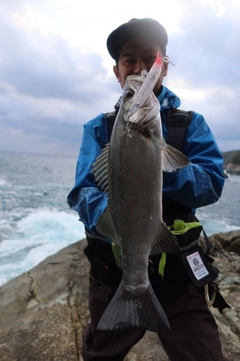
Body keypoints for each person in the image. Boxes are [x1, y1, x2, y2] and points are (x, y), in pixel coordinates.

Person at [67, 18, 229, 361]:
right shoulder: (98, 129)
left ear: (163, 65)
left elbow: (212, 184)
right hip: (115, 276)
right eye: (129, 60)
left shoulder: (190, 124)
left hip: (180, 275)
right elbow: (82, 192)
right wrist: (117, 217)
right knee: (100, 354)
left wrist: (154, 163)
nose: (139, 68)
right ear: (117, 72)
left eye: (148, 57)